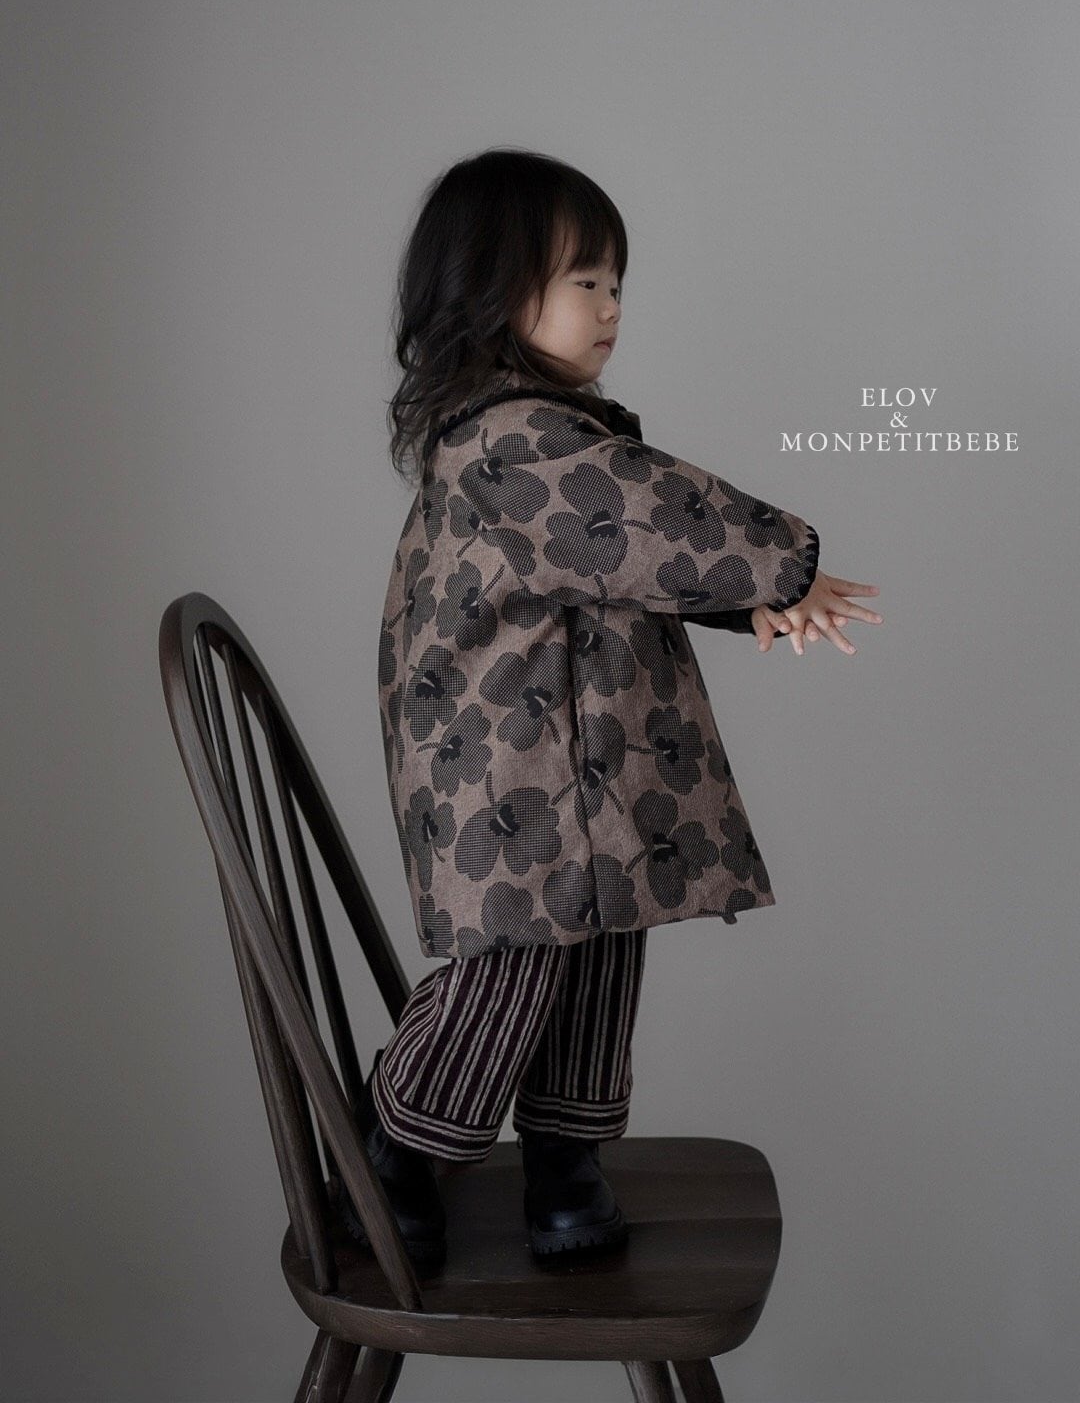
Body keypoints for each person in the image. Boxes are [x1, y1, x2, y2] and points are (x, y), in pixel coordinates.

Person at [339, 147, 883, 1268]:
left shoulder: (545, 429)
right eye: (583, 278)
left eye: (616, 281)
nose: (611, 305)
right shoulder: (507, 438)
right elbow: (636, 512)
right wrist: (780, 565)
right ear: (490, 290)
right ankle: (396, 1142)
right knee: (516, 956)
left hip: (583, 762)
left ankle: (566, 1156)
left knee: (601, 947)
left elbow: (615, 557)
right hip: (511, 768)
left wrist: (748, 601)